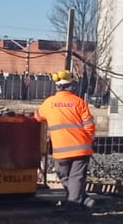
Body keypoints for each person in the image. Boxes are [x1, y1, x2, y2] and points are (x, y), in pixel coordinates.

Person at [35, 70, 96, 207]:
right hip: (81, 150)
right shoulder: (79, 102)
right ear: (71, 85)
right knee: (76, 178)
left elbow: (37, 117)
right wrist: (89, 141)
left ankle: (76, 202)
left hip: (60, 151)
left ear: (57, 86)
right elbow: (89, 125)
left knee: (65, 177)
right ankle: (79, 202)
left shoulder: (49, 103)